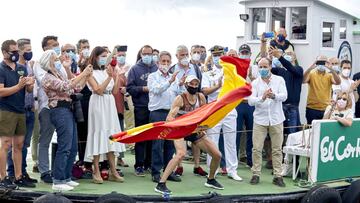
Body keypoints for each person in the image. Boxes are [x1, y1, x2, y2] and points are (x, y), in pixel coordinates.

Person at [155, 75, 223, 194]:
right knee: (181, 153)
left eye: (196, 84)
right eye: (191, 84)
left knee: (217, 155)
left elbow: (204, 115)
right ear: (186, 85)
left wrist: (203, 126)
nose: (194, 86)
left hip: (194, 130)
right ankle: (161, 183)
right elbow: (169, 118)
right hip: (179, 130)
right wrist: (179, 125)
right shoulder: (180, 98)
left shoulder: (201, 97)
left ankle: (211, 179)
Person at [41, 50, 92, 191]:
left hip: (69, 110)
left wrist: (85, 76)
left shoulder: (59, 74)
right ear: (49, 61)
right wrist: (83, 74)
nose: (58, 60)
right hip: (59, 110)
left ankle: (66, 177)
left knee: (72, 146)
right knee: (64, 146)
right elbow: (65, 86)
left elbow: (76, 88)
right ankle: (58, 180)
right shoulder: (47, 78)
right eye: (55, 58)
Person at [85, 46, 126, 184]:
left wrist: (116, 75)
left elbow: (114, 91)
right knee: (98, 133)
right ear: (95, 57)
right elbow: (98, 90)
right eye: (102, 56)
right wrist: (109, 77)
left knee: (111, 136)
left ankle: (113, 171)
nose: (105, 58)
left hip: (109, 104)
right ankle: (96, 170)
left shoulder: (107, 71)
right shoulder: (90, 71)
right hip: (98, 104)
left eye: (106, 56)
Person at [202, 45, 242, 181]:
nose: (218, 57)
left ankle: (232, 170)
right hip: (215, 109)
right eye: (215, 55)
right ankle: (212, 168)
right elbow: (205, 91)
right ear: (212, 57)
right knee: (212, 140)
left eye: (220, 54)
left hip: (230, 109)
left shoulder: (232, 72)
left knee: (230, 141)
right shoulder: (207, 73)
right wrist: (218, 86)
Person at [0, 39, 35, 189]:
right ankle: (3, 177)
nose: (15, 54)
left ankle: (19, 176)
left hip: (21, 110)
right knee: (5, 144)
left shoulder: (22, 68)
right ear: (4, 52)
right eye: (12, 51)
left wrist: (29, 86)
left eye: (16, 51)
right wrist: (19, 85)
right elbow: (1, 91)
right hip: (6, 110)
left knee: (19, 145)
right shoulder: (1, 69)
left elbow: (27, 91)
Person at [248, 57, 287, 187]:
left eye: (265, 66)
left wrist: (274, 96)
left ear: (270, 66)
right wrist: (262, 97)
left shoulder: (279, 80)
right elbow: (250, 101)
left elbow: (284, 96)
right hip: (260, 119)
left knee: (277, 149)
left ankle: (278, 175)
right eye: (260, 67)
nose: (263, 69)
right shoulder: (255, 83)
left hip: (276, 119)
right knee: (256, 148)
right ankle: (256, 174)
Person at [171, 45, 207, 177]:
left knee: (195, 138)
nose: (185, 57)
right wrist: (179, 85)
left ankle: (197, 166)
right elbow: (171, 90)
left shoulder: (195, 67)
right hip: (179, 106)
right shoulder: (172, 69)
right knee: (179, 139)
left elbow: (198, 86)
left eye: (186, 54)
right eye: (182, 55)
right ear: (177, 56)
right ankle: (179, 166)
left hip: (194, 107)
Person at [148, 51, 181, 183]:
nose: (166, 64)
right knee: (158, 144)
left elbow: (178, 93)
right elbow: (156, 90)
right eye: (163, 61)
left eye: (168, 61)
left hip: (171, 113)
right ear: (158, 63)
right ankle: (156, 172)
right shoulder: (152, 77)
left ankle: (169, 171)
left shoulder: (175, 78)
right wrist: (170, 81)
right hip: (157, 112)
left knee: (170, 144)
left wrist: (181, 85)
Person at [127, 45, 157, 176]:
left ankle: (149, 163)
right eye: (145, 53)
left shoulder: (157, 68)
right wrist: (143, 89)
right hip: (141, 106)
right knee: (140, 136)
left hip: (155, 107)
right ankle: (139, 165)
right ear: (141, 54)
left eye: (150, 53)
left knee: (153, 136)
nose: (147, 56)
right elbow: (130, 88)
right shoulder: (134, 69)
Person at [303, 56, 341, 124]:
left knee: (325, 130)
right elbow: (303, 81)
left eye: (324, 62)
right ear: (316, 62)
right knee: (311, 130)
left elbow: (338, 82)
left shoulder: (329, 75)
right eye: (320, 62)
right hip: (312, 108)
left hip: (326, 109)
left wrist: (331, 69)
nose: (322, 64)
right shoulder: (311, 74)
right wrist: (310, 68)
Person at [235, 44, 255, 168]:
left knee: (251, 133)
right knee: (236, 133)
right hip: (238, 103)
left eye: (246, 52)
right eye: (242, 52)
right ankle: (234, 160)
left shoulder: (255, 68)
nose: (244, 54)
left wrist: (252, 77)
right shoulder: (235, 69)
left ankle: (250, 159)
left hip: (251, 104)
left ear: (250, 54)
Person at [113, 45, 130, 167]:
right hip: (107, 106)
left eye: (123, 55)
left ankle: (120, 158)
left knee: (120, 132)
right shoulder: (110, 68)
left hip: (119, 106)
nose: (121, 57)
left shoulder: (128, 69)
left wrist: (126, 89)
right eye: (119, 55)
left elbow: (130, 86)